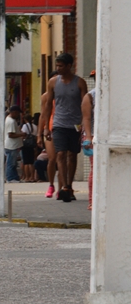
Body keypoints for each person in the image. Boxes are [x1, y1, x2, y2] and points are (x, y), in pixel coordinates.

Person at [40, 53, 88, 202]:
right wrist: (46, 127)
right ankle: (64, 187)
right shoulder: (53, 82)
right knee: (60, 154)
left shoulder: (80, 83)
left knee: (72, 155)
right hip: (59, 124)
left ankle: (70, 184)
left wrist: (85, 126)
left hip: (75, 125)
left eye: (61, 66)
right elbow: (48, 105)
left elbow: (85, 105)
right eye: (57, 66)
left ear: (69, 66)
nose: (58, 68)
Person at [38, 72, 60, 197]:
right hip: (50, 129)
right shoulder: (46, 97)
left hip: (63, 127)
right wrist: (39, 134)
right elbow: (43, 115)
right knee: (52, 158)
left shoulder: (65, 95)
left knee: (62, 158)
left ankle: (63, 187)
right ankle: (51, 184)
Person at [81, 71, 96, 210]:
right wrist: (89, 137)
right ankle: (92, 200)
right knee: (94, 169)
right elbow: (86, 118)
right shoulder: (90, 96)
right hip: (93, 137)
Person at [4, 106, 25, 183]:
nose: (18, 115)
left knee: (13, 163)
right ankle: (10, 178)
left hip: (12, 145)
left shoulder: (8, 119)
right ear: (14, 112)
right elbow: (11, 135)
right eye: (18, 113)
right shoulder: (11, 121)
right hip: (12, 146)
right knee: (11, 163)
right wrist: (21, 134)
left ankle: (15, 177)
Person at [20, 113, 38, 182]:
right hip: (32, 145)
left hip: (26, 145)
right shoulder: (35, 126)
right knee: (31, 162)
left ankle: (27, 177)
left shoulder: (25, 126)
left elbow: (23, 135)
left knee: (26, 162)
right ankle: (32, 177)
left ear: (25, 119)